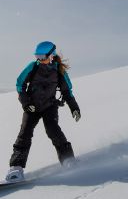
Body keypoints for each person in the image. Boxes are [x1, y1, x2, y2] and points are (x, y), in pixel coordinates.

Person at [6, 41, 81, 182]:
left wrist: (74, 107)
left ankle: (68, 160)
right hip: (32, 107)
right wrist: (26, 104)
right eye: (37, 56)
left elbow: (67, 91)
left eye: (42, 56)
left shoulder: (59, 71)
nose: (39, 59)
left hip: (49, 106)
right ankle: (16, 168)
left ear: (51, 55)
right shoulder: (33, 67)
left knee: (53, 130)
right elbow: (20, 85)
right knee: (24, 133)